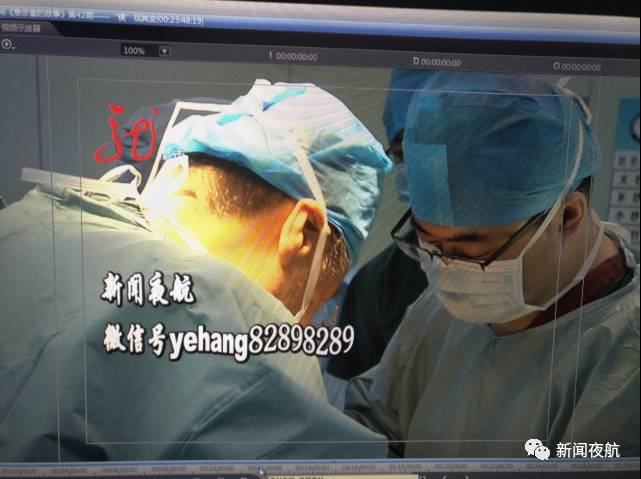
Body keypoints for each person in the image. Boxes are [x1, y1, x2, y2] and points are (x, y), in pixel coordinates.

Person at [0, 80, 392, 461]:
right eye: (320, 296)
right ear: (304, 232)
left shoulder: (34, 221)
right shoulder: (238, 352)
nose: (302, 323)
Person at [345, 73, 640, 458]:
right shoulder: (437, 312)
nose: (449, 269)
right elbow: (377, 424)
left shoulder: (623, 357)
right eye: (431, 243)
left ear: (567, 216)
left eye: (471, 250)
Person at [328, 70, 429, 381]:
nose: (418, 163)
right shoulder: (377, 285)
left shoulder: (546, 271)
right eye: (401, 153)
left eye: (430, 147)